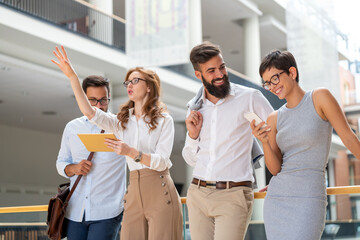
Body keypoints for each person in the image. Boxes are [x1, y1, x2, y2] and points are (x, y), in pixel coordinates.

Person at [52, 46, 183, 240]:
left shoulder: (164, 119)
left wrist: (131, 152)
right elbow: (90, 113)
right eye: (127, 81)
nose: (129, 84)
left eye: (135, 80)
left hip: (160, 185)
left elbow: (163, 161)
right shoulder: (121, 121)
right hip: (134, 190)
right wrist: (72, 77)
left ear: (149, 86)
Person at [252, 49, 360, 240]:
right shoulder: (274, 118)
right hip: (278, 199)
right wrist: (265, 142)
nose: (272, 86)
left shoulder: (319, 97)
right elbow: (275, 170)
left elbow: (348, 138)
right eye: (267, 83)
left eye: (275, 79)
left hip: (310, 196)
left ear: (292, 73)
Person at [182, 41, 274, 240]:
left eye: (222, 67)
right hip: (197, 193)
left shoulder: (250, 97)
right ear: (199, 75)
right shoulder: (194, 108)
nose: (220, 74)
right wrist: (192, 135)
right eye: (211, 71)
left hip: (234, 194)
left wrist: (280, 178)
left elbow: (280, 134)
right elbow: (190, 159)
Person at [56, 75, 127, 240]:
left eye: (103, 100)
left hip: (107, 212)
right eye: (93, 101)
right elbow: (61, 162)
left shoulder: (120, 126)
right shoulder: (72, 128)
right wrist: (73, 168)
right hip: (75, 211)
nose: (99, 106)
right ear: (83, 100)